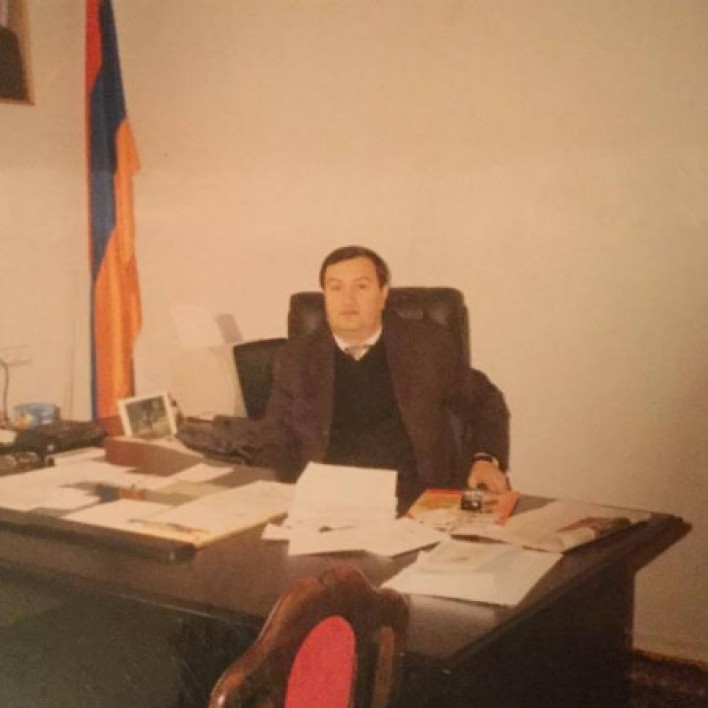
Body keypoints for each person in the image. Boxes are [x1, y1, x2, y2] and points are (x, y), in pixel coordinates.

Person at [253, 246, 510, 507]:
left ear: (383, 294)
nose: (348, 299)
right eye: (336, 288)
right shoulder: (296, 359)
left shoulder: (427, 347)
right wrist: (280, 495)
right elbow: (274, 440)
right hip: (328, 501)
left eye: (361, 286)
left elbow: (485, 401)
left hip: (412, 499)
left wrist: (485, 459)